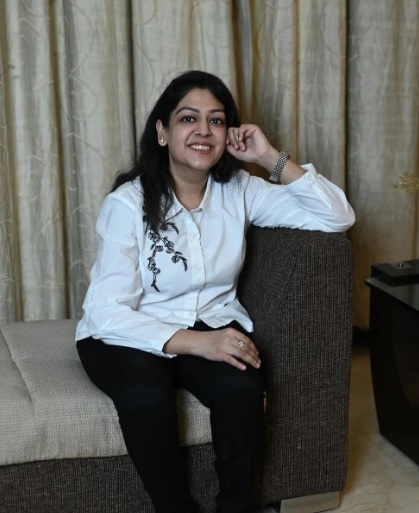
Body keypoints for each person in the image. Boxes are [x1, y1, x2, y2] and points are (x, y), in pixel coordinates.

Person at [76, 70, 355, 513]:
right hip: (127, 331)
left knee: (242, 390)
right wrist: (199, 343)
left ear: (229, 134)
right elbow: (107, 311)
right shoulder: (127, 204)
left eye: (217, 120)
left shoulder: (240, 190)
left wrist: (268, 157)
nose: (203, 131)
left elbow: (337, 216)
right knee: (147, 400)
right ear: (163, 132)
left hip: (209, 320)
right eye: (188, 119)